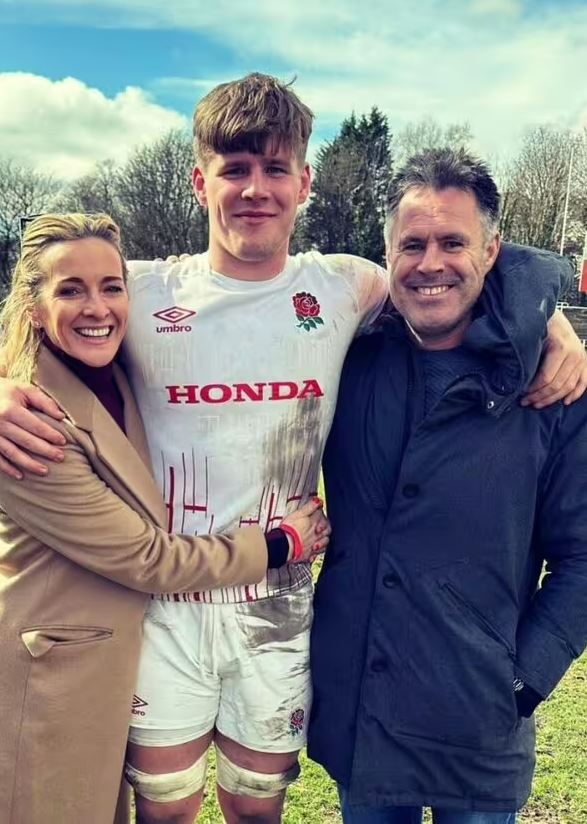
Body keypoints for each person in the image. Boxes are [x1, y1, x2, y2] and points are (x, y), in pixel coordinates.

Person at [0, 76, 584, 824]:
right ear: (198, 180)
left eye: (275, 169)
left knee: (254, 809)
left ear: (304, 181)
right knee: (167, 812)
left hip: (278, 607)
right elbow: (46, 318)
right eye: (234, 169)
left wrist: (553, 322)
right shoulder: (139, 294)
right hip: (167, 606)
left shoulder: (346, 287)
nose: (255, 189)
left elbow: (456, 270)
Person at [0, 213, 330, 824]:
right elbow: (147, 558)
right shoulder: (29, 426)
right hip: (53, 675)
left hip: (111, 654)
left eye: (110, 286)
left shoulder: (112, 372)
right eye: (69, 289)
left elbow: (439, 292)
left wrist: (548, 319)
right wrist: (280, 544)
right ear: (33, 307)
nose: (95, 306)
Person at [308, 148, 587, 824]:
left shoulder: (553, 386)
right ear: (386, 254)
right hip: (362, 719)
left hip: (478, 725)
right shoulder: (348, 354)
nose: (429, 262)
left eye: (452, 242)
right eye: (411, 243)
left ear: (492, 251)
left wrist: (522, 679)